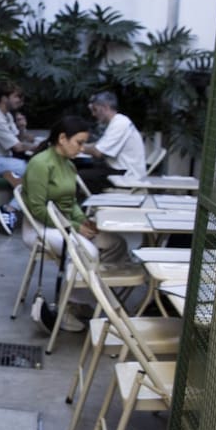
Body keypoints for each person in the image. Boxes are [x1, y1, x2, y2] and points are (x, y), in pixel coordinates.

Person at [22, 115, 132, 332]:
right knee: (88, 251)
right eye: (79, 142)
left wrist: (84, 221)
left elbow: (70, 202)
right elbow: (38, 209)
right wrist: (74, 227)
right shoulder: (40, 164)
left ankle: (81, 299)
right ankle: (68, 307)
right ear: (62, 138)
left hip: (64, 223)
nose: (82, 148)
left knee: (115, 243)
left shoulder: (68, 165)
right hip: (41, 227)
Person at [0, 81, 39, 234]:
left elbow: (21, 138)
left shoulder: (7, 116)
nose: (20, 101)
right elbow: (17, 146)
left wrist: (22, 128)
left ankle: (13, 180)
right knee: (31, 169)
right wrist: (42, 147)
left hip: (3, 160)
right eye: (17, 97)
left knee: (31, 172)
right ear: (4, 98)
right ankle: (9, 209)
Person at [84, 91, 147, 180]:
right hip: (119, 171)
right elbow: (98, 146)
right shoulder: (117, 122)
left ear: (105, 107)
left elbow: (98, 152)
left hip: (125, 175)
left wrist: (75, 146)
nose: (93, 114)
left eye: (95, 110)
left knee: (78, 177)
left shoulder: (120, 123)